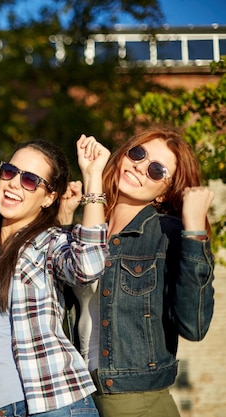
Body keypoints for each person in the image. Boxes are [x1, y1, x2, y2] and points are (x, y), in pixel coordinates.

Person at [0, 135, 110, 416]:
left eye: (30, 180)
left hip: (57, 403)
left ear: (49, 197)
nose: (15, 183)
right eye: (9, 172)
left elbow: (88, 266)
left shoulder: (48, 243)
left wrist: (92, 176)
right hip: (0, 409)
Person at [63, 127, 215, 417]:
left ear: (164, 192)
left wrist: (195, 232)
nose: (141, 166)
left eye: (157, 170)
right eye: (138, 153)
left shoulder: (167, 234)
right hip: (79, 395)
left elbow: (193, 326)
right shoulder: (87, 228)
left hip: (136, 401)